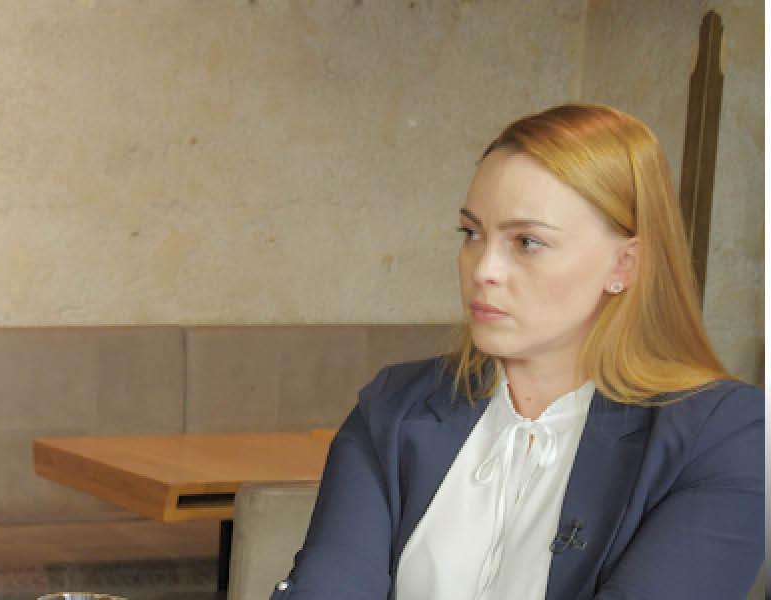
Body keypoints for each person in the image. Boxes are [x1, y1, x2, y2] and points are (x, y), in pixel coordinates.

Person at [272, 103, 764, 599]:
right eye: (472, 233)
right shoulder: (392, 407)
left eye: (527, 242)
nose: (483, 269)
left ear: (625, 264)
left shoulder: (725, 435)